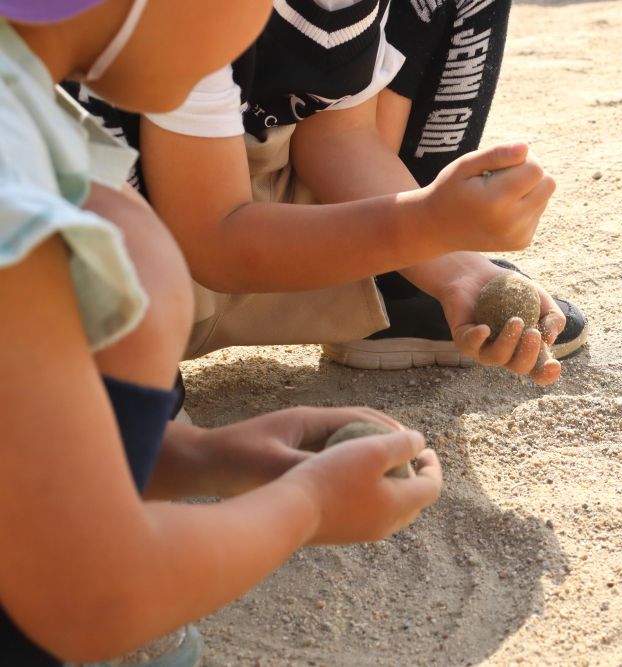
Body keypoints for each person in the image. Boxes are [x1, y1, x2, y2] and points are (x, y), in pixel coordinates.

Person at [0, 2, 442, 665]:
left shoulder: (26, 107)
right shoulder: (13, 176)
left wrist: (210, 455)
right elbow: (91, 597)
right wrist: (309, 506)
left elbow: (23, 430)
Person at [66, 0, 588, 390]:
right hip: (141, 269)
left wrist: (455, 268)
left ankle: (396, 297)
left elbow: (339, 136)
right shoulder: (199, 15)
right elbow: (214, 238)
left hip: (261, 234)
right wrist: (428, 223)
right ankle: (100, 370)